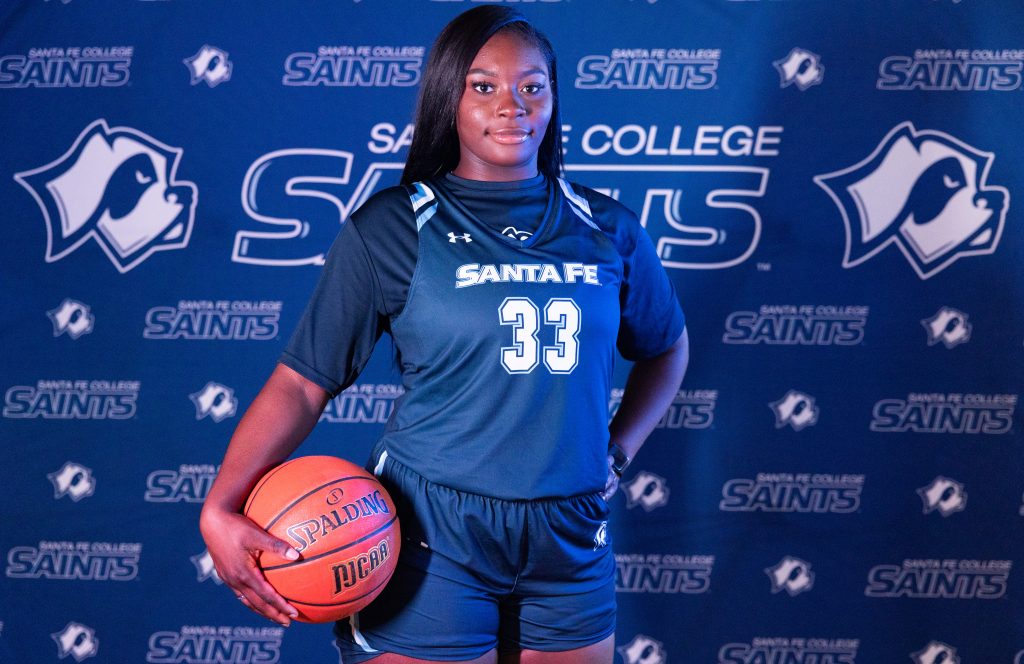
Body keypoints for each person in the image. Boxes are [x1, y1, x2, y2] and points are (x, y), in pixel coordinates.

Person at [200, 6, 689, 663]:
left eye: (532, 86)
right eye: (483, 86)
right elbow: (301, 382)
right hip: (436, 534)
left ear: (553, 99)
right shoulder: (395, 227)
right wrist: (220, 506)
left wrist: (619, 451)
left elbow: (666, 347)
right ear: (446, 97)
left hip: (570, 535)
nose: (512, 105)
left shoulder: (608, 228)